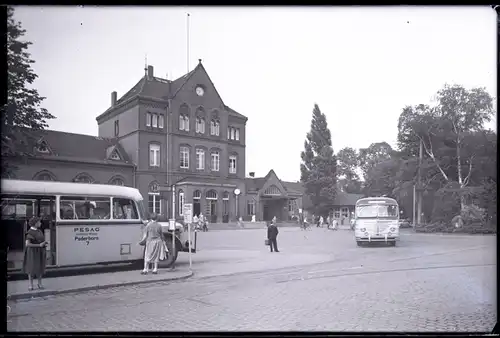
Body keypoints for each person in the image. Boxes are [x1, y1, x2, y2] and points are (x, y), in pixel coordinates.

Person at [23, 216, 47, 291]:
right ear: (35, 223)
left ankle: (39, 283)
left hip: (39, 251)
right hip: (32, 252)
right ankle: (31, 285)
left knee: (40, 267)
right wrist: (39, 245)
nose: (40, 223)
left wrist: (44, 243)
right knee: (31, 268)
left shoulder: (39, 231)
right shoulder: (30, 232)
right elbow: (27, 244)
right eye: (39, 222)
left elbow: (41, 240)